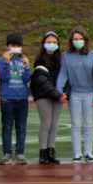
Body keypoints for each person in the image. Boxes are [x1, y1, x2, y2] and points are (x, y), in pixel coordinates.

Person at [56, 27, 93, 164]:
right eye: (75, 39)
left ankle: (88, 152)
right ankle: (76, 153)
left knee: (89, 124)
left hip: (90, 93)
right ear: (71, 41)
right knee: (75, 124)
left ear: (85, 40)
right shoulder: (66, 55)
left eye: (80, 39)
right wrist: (59, 89)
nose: (78, 41)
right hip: (75, 93)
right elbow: (63, 73)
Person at [0, 32, 31, 165]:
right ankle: (7, 153)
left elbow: (26, 79)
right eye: (13, 45)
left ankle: (20, 153)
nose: (16, 47)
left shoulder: (23, 60)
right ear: (7, 46)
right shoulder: (1, 60)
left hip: (22, 98)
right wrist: (6, 63)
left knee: (21, 127)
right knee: (7, 127)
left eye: (18, 45)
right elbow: (4, 77)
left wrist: (27, 66)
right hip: (7, 98)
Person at [31, 32, 64, 164]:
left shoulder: (62, 59)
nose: (52, 44)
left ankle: (51, 151)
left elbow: (66, 78)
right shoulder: (39, 60)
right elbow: (41, 80)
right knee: (46, 123)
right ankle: (42, 153)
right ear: (44, 44)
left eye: (54, 42)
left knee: (54, 125)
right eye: (49, 42)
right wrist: (57, 94)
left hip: (58, 96)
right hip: (43, 95)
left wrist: (64, 93)